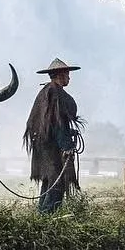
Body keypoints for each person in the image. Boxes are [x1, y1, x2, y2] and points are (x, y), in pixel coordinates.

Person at [23, 58, 84, 213]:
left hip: (45, 145)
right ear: (59, 75)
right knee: (57, 181)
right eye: (67, 74)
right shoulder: (54, 93)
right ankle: (48, 217)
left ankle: (42, 217)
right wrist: (66, 145)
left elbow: (48, 124)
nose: (69, 77)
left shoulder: (45, 92)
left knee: (49, 180)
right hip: (52, 147)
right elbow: (56, 122)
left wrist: (68, 133)